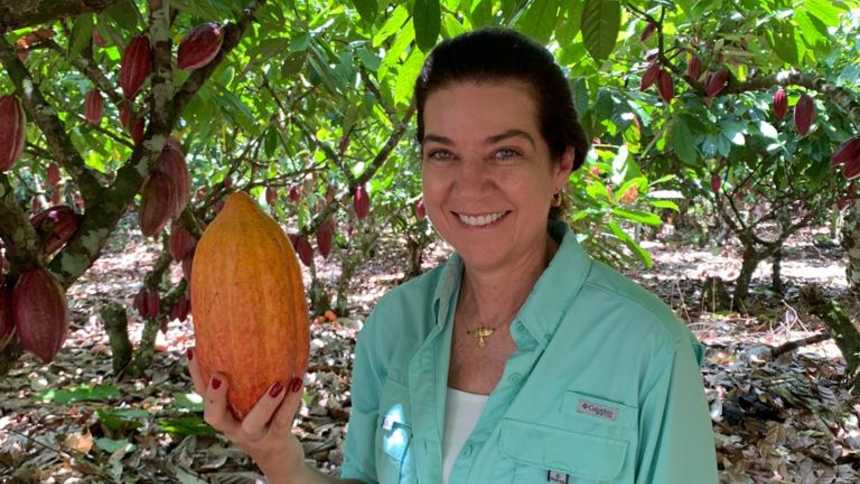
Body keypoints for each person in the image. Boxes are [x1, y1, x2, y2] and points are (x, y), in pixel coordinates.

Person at [187, 27, 719, 484]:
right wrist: (277, 454)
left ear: (561, 165)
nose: (469, 186)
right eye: (442, 153)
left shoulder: (649, 348)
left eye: (504, 152)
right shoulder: (394, 327)